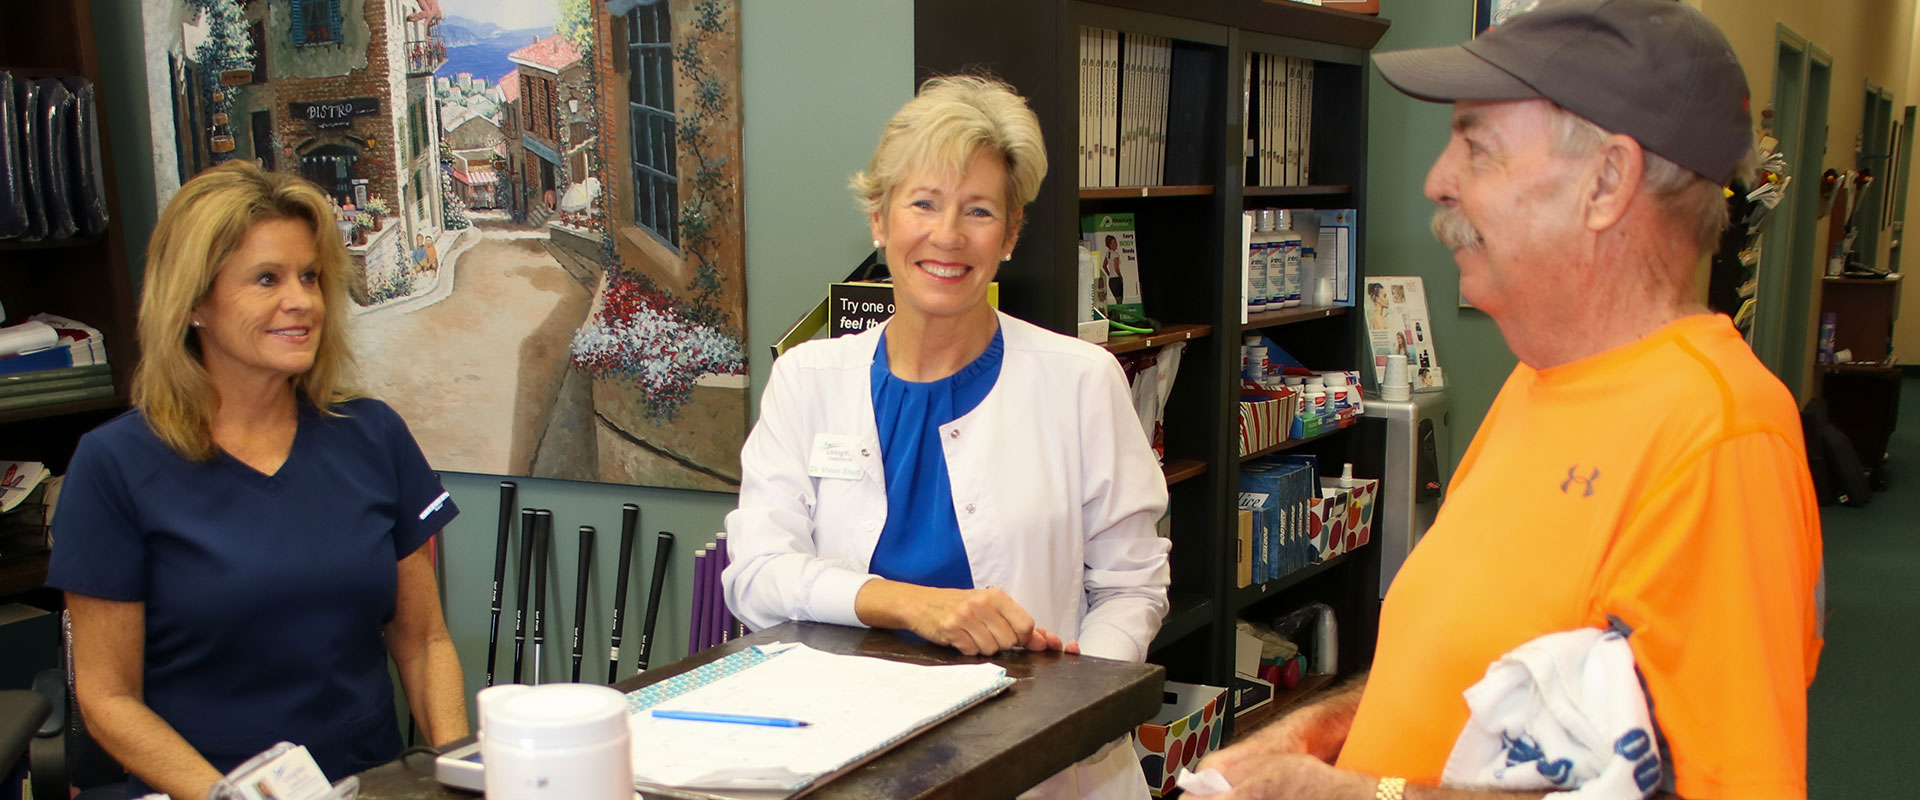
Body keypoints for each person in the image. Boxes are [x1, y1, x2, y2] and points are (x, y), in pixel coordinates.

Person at [1199, 2, 1822, 799]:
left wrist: (1357, 797)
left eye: (1478, 149)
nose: (1437, 181)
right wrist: (1326, 727)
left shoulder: (1720, 442)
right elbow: (1482, 678)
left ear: (1607, 182)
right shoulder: (1542, 377)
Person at [722, 75, 1171, 799]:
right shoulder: (809, 378)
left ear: (1012, 234)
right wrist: (904, 601)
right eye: (923, 203)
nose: (948, 236)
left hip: (1043, 768)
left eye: (979, 211)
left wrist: (1071, 707)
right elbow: (757, 577)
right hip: (850, 755)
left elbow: (1131, 586)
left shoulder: (1081, 379)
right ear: (879, 217)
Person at [47, 162, 469, 799]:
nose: (300, 300)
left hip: (369, 782)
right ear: (194, 303)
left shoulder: (372, 434)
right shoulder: (113, 466)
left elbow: (424, 640)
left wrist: (456, 775)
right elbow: (107, 697)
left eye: (310, 277)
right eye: (267, 279)